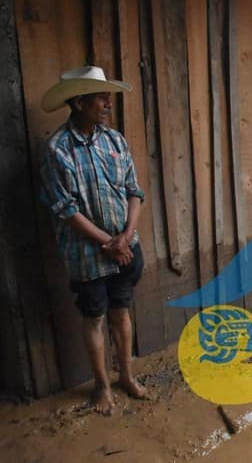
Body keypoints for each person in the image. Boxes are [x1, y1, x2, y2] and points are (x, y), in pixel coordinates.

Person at [40, 66, 148, 415]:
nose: (107, 103)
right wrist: (110, 243)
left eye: (107, 96)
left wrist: (127, 236)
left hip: (125, 249)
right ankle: (102, 386)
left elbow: (134, 191)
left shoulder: (114, 140)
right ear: (79, 101)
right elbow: (66, 210)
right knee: (94, 318)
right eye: (101, 97)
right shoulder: (57, 149)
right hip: (88, 256)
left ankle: (127, 376)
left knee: (121, 310)